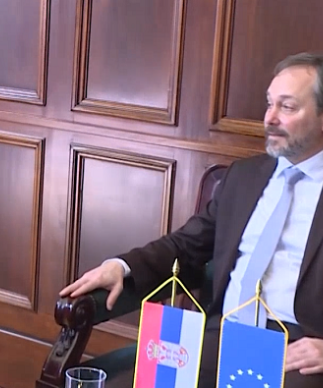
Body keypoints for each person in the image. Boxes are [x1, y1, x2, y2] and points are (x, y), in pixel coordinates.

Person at [60, 52, 323, 388]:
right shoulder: (244, 177)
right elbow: (187, 244)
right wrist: (121, 266)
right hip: (224, 334)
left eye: (287, 107)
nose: (270, 118)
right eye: (269, 104)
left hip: (297, 349)